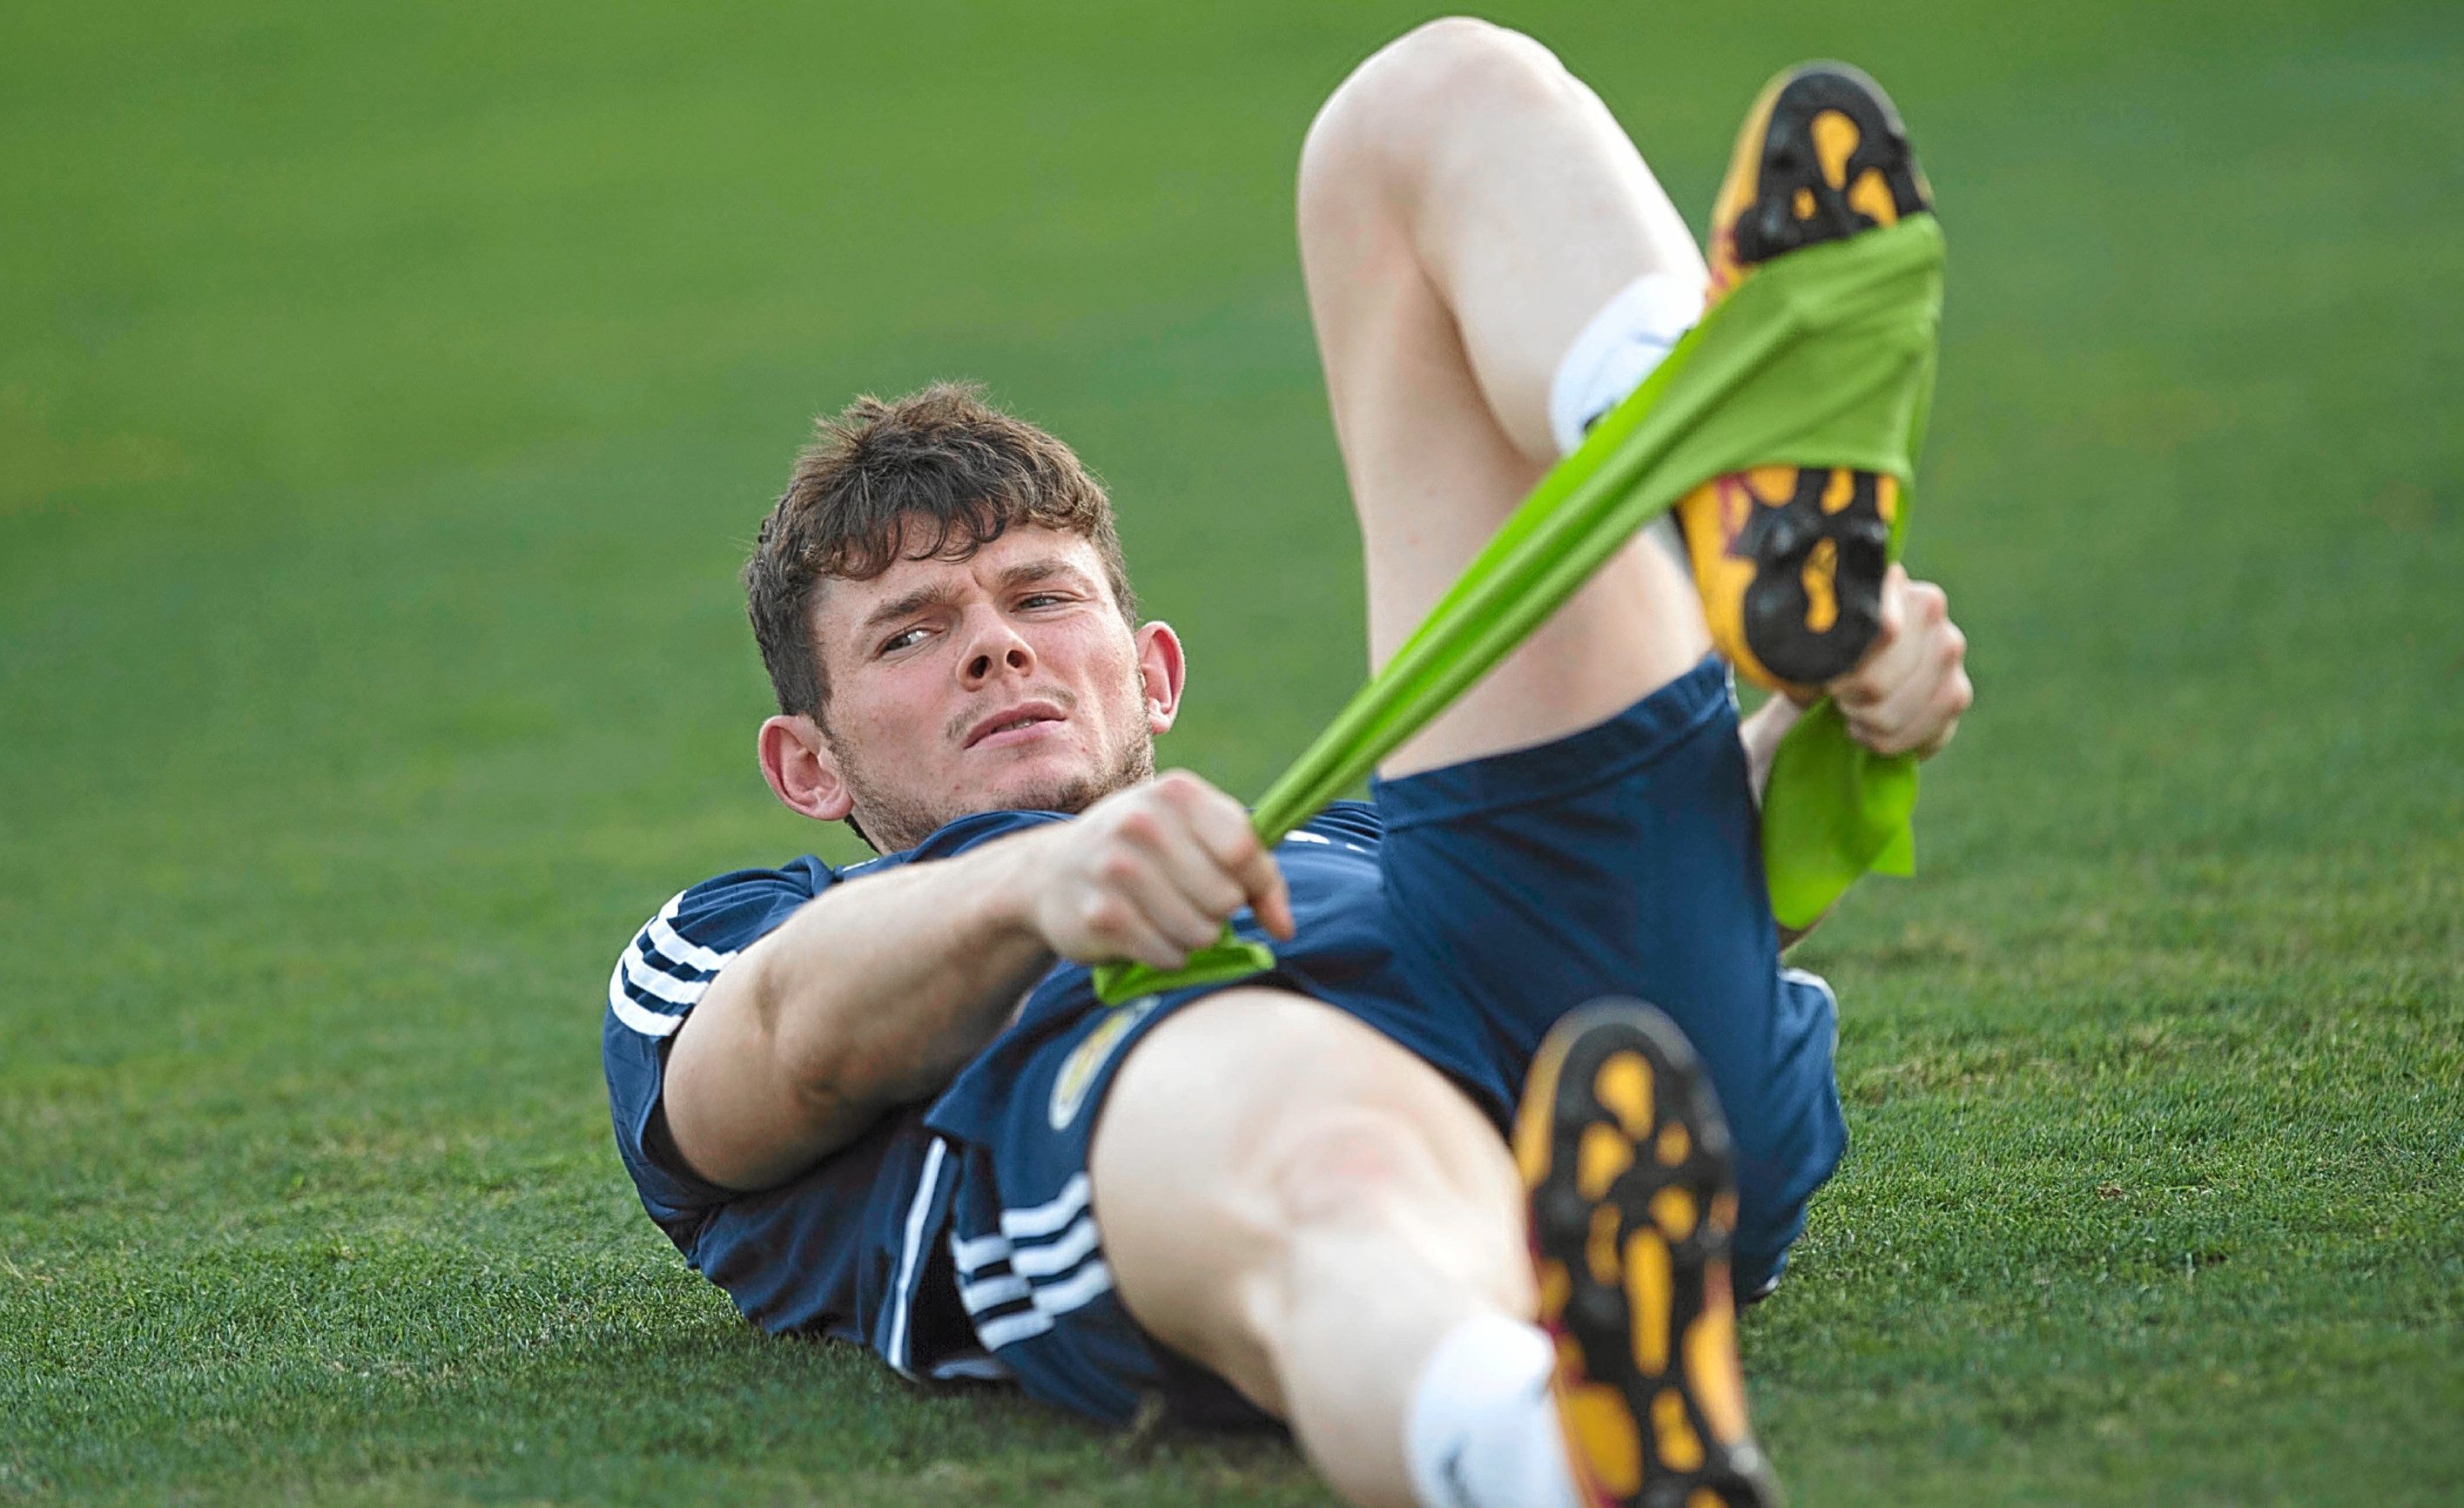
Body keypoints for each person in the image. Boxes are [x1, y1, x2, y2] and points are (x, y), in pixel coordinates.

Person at [601, 19, 1970, 1508]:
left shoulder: (1360, 839)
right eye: (910, 636)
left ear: (1156, 674)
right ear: (806, 768)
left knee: (1425, 97)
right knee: (1313, 1129)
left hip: (1593, 1033)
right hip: (1205, 1108)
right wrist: (1045, 886)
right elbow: (782, 1043)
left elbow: (1680, 883)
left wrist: (1834, 711)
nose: (996, 647)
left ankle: (1728, 480)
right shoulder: (739, 936)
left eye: (1043, 598)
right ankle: (1552, 1448)